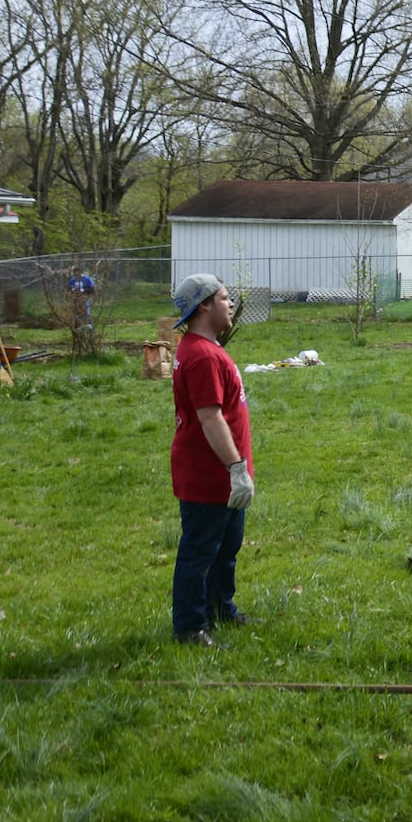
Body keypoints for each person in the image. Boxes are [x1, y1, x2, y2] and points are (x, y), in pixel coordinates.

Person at [169, 274, 255, 646]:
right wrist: (236, 468)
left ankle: (220, 607)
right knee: (200, 552)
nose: (230, 303)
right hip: (209, 476)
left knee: (225, 547)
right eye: (223, 298)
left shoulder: (204, 347)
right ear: (204, 305)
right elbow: (210, 417)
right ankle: (189, 627)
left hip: (223, 475)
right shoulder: (202, 355)